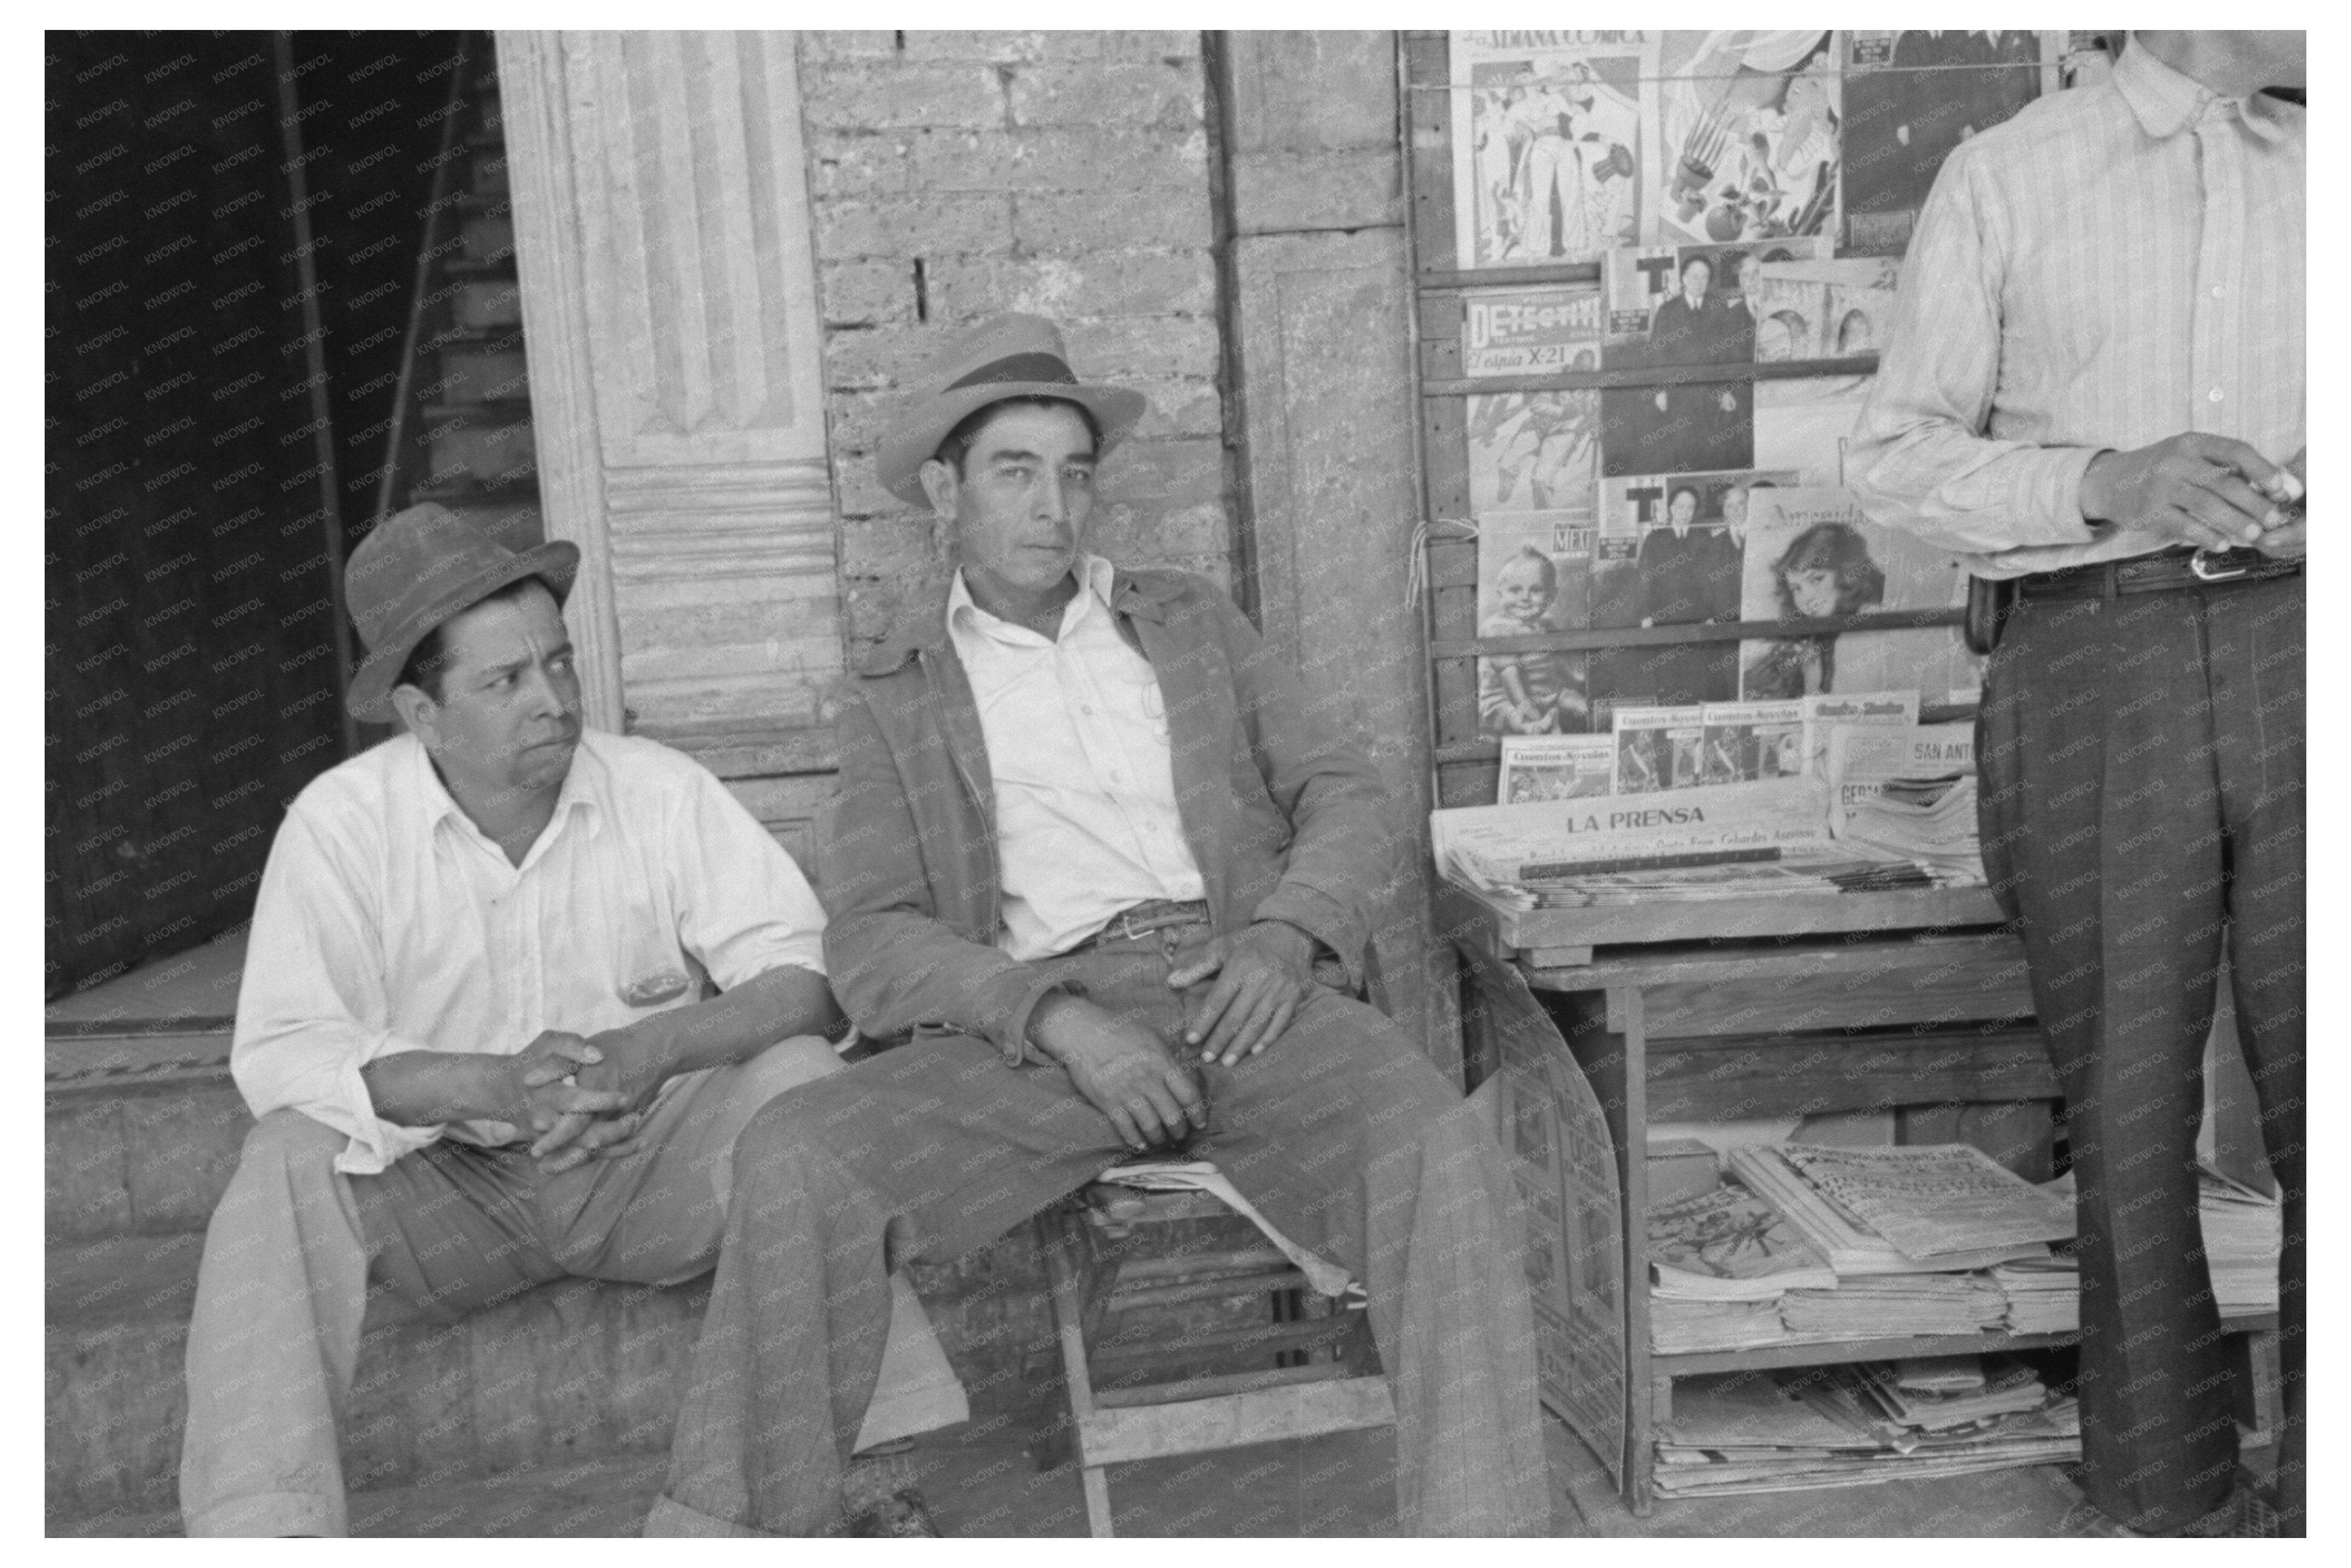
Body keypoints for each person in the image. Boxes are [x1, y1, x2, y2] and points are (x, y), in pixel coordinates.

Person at [650, 314, 1550, 1537]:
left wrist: (1285, 936)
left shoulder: (1188, 624)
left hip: (1245, 992)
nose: (1054, 506)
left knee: (1441, 1153)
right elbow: (867, 937)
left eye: (1074, 472)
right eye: (1014, 470)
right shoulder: (898, 694)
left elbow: (1339, 789)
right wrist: (1054, 1017)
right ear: (941, 491)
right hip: (1038, 1029)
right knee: (796, 1153)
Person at [177, 505, 967, 1537]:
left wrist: (653, 1051)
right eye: (503, 681)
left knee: (804, 1082)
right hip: (449, 1192)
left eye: (558, 663)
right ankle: (259, 1532)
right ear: (422, 713)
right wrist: (491, 1084)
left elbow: (807, 974)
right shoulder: (339, 825)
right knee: (284, 1156)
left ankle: (850, 1481)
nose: (551, 700)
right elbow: (285, 1054)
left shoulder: (657, 788)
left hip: (642, 1166)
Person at [1848, 31, 2304, 1538]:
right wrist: (2105, 480)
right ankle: (2169, 1505)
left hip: (2318, 650)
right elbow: (1890, 459)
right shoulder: (2010, 175)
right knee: (2124, 1106)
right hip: (2093, 659)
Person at [1740, 521, 1887, 698]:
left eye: (1817, 579)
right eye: (1796, 588)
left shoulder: (1870, 624)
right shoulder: (1819, 635)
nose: (1806, 599)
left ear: (1848, 574)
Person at [1632, 485, 1742, 703]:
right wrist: (1645, 614)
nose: (1685, 512)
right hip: (1663, 617)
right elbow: (1645, 577)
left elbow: (1714, 578)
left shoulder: (1705, 538)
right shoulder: (1656, 539)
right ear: (1671, 508)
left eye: (1690, 507)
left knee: (1697, 674)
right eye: (1681, 506)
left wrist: (1713, 614)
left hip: (1697, 617)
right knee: (1668, 673)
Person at [1479, 545, 1588, 734]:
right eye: (1515, 590)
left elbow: (1562, 662)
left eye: (1536, 590)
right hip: (1506, 697)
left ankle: (1589, 714)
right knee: (1511, 713)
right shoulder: (1497, 628)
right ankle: (1533, 727)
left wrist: (1579, 682)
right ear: (1500, 595)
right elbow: (1509, 677)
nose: (1525, 598)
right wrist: (1529, 710)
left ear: (1551, 596)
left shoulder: (1546, 625)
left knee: (1576, 700)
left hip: (1548, 693)